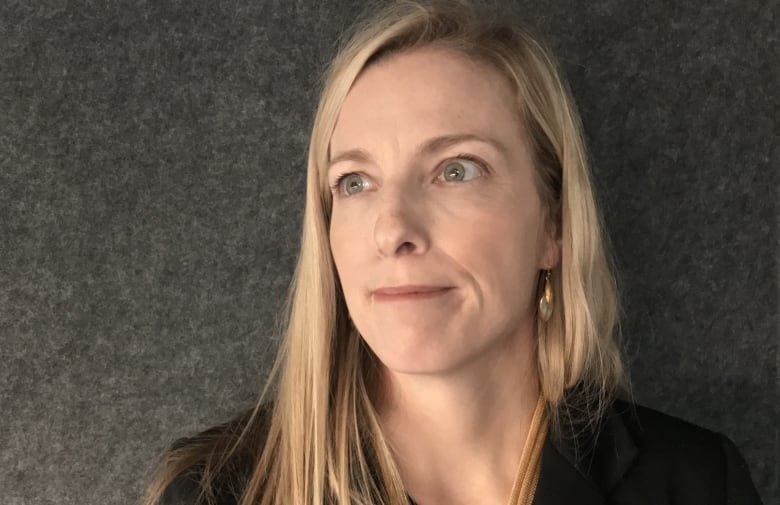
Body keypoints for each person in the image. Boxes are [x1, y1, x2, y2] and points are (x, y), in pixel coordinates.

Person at [143, 1, 763, 504]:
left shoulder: (699, 481)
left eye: (456, 170)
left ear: (554, 223)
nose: (392, 229)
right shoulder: (216, 492)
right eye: (354, 182)